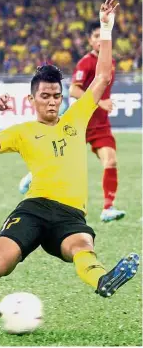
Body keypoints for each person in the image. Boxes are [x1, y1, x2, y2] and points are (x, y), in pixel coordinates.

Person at [0, 0, 139, 298]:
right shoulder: (23, 132)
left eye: (56, 95)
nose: (52, 101)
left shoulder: (75, 117)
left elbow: (102, 77)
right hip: (35, 208)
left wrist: (106, 27)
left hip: (70, 214)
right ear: (32, 99)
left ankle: (103, 280)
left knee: (82, 246)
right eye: (46, 96)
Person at [18, 21, 125, 223]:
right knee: (57, 159)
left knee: (110, 161)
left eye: (101, 37)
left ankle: (108, 208)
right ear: (89, 40)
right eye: (95, 37)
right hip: (80, 122)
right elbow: (75, 90)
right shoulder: (85, 62)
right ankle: (33, 176)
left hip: (100, 125)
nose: (99, 42)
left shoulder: (110, 62)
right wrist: (99, 102)